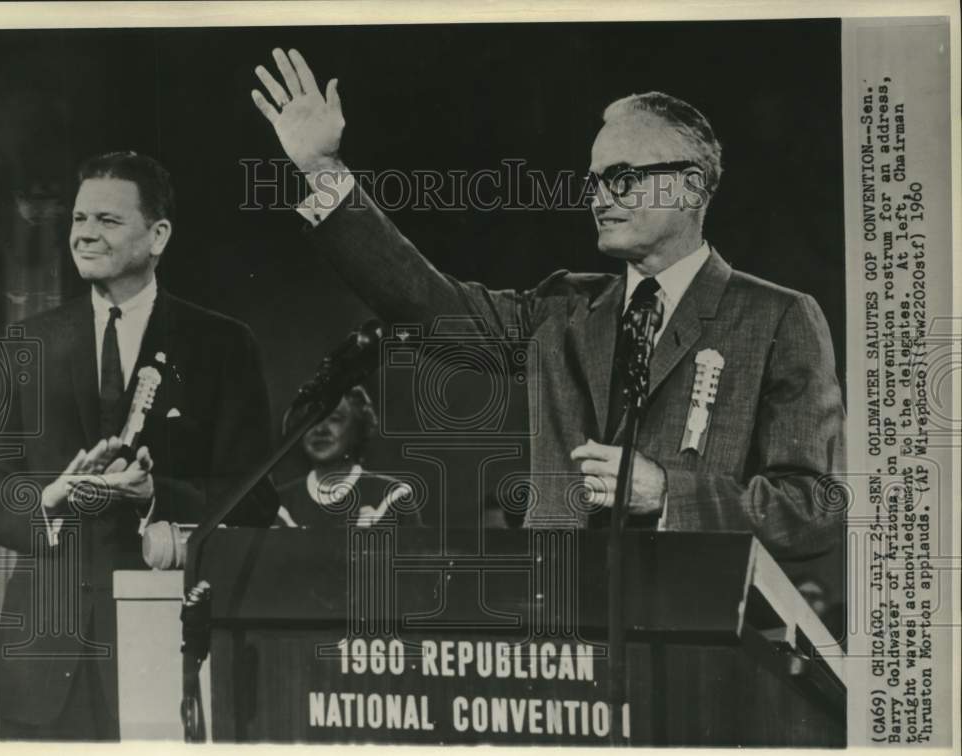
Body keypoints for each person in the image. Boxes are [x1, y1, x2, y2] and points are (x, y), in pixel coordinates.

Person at [250, 48, 845, 558]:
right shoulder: (562, 308)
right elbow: (426, 304)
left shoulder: (777, 318)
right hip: (562, 630)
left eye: (624, 177)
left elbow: (815, 509)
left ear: (691, 186)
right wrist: (323, 171)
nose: (598, 197)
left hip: (695, 650)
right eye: (593, 180)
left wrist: (668, 492)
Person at [0, 151, 279, 740]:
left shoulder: (220, 345)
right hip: (40, 668)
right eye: (78, 219)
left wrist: (153, 498)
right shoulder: (24, 343)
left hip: (163, 657)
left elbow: (253, 501)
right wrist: (47, 497)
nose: (86, 234)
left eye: (109, 221)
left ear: (159, 234)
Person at [277, 386, 421, 527]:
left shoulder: (392, 497)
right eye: (312, 419)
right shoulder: (279, 505)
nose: (320, 429)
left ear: (357, 428)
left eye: (335, 419)